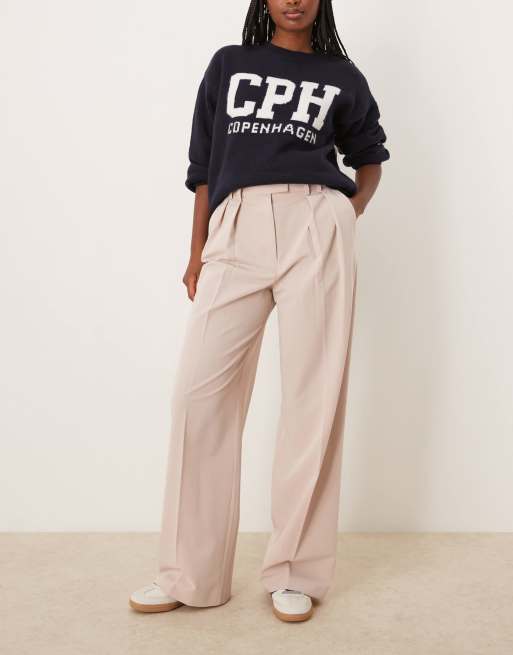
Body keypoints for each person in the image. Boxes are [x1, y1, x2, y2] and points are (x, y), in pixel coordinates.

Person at [129, 0, 390, 622]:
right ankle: (189, 573)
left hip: (317, 223)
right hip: (236, 224)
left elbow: (370, 157)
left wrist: (344, 214)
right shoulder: (229, 64)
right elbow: (203, 168)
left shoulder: (342, 76)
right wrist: (198, 251)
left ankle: (295, 571)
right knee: (199, 395)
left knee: (313, 396)